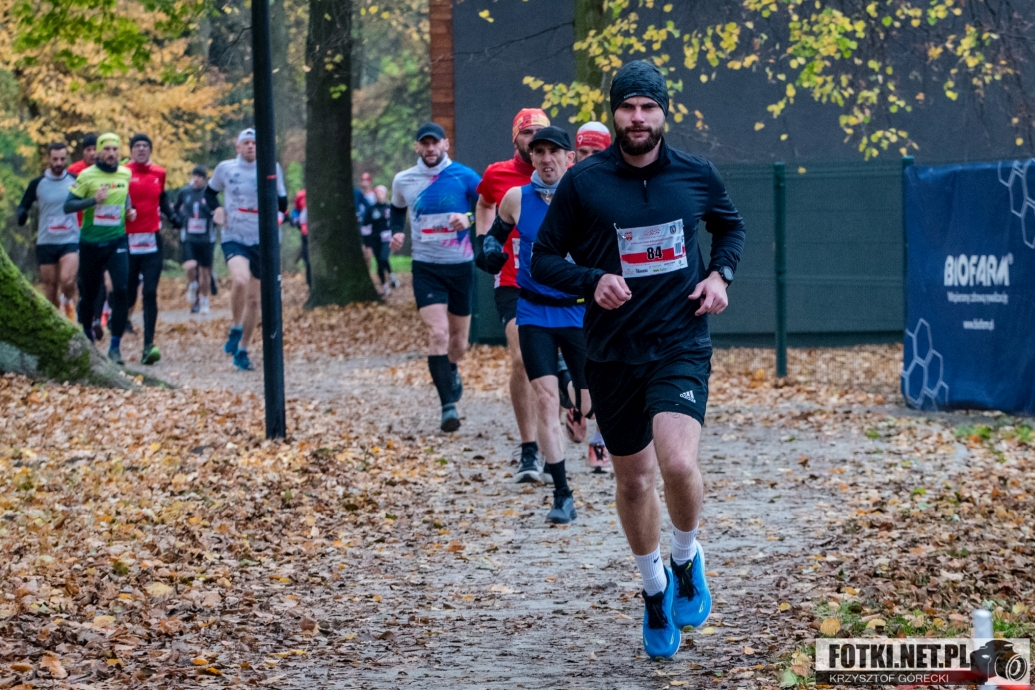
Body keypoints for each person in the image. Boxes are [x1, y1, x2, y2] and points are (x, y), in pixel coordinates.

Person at [530, 61, 746, 659]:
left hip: (679, 341)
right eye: (627, 107)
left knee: (676, 463)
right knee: (633, 480)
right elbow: (543, 258)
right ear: (614, 114)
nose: (638, 117)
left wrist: (720, 277)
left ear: (663, 112)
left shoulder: (696, 174)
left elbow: (730, 229)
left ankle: (685, 558)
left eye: (648, 107)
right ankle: (653, 589)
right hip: (611, 351)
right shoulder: (584, 182)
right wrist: (591, 279)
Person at [482, 126, 590, 524]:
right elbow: (494, 236)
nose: (546, 159)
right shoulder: (515, 198)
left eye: (553, 152)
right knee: (544, 399)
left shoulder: (586, 198)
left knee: (587, 404)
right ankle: (562, 494)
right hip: (532, 311)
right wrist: (489, 251)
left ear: (569, 158)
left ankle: (571, 390)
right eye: (539, 151)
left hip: (577, 311)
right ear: (531, 157)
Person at [473, 107, 550, 480]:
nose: (533, 140)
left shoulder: (563, 173)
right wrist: (484, 241)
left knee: (551, 364)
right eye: (527, 133)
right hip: (512, 280)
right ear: (515, 138)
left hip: (555, 283)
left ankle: (552, 445)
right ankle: (529, 448)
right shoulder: (497, 174)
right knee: (522, 358)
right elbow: (485, 202)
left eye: (540, 133)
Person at [389, 122, 480, 432]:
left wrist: (468, 218)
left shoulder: (465, 176)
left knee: (459, 342)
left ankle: (451, 368)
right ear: (417, 147)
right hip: (426, 267)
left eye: (434, 143)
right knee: (438, 333)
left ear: (445, 144)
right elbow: (396, 208)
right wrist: (395, 232)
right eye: (424, 143)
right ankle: (447, 407)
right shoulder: (403, 180)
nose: (430, 149)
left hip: (460, 266)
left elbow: (487, 206)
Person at [207, 128, 287, 371]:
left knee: (254, 301)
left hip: (262, 238)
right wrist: (216, 210)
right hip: (235, 234)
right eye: (246, 143)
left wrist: (276, 212)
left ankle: (243, 349)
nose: (251, 146)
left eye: (254, 142)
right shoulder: (226, 168)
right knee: (240, 280)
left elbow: (282, 202)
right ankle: (235, 326)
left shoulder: (271, 167)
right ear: (238, 146)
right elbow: (210, 194)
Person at [63, 132, 137, 364]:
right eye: (106, 149)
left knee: (122, 289)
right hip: (90, 243)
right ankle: (87, 336)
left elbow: (124, 195)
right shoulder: (86, 176)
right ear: (98, 151)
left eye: (115, 149)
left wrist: (130, 210)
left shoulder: (125, 173)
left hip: (117, 241)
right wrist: (93, 200)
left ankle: (115, 348)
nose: (111, 153)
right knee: (90, 294)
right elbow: (68, 206)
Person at [573, 119, 614, 473]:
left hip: (608, 295)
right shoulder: (566, 189)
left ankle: (600, 439)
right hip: (569, 291)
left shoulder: (619, 187)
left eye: (595, 152)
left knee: (605, 368)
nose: (588, 159)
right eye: (582, 152)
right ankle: (572, 404)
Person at [125, 134, 176, 365]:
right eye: (137, 146)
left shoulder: (159, 173)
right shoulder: (123, 173)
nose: (141, 149)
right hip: (128, 239)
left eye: (145, 146)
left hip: (152, 240)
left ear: (150, 150)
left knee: (150, 292)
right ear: (131, 150)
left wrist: (173, 215)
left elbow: (161, 198)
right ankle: (116, 336)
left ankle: (148, 344)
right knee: (127, 292)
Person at [17, 142, 80, 317]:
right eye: (55, 159)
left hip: (70, 239)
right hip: (46, 241)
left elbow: (91, 200)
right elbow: (24, 204)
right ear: (48, 159)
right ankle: (56, 322)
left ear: (66, 158)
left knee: (68, 281)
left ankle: (68, 303)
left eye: (62, 159)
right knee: (50, 288)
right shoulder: (38, 183)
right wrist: (22, 214)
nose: (59, 163)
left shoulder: (76, 181)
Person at [67, 134, 105, 338]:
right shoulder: (74, 171)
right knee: (83, 279)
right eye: (88, 149)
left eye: (94, 149)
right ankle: (85, 315)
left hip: (103, 229)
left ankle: (97, 318)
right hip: (79, 229)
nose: (92, 153)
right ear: (83, 152)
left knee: (102, 277)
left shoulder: (108, 170)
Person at [176, 165, 217, 314]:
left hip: (206, 237)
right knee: (190, 265)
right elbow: (176, 209)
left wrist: (214, 217)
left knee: (205, 271)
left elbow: (217, 211)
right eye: (195, 176)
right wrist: (181, 220)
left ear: (205, 179)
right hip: (189, 236)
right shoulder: (185, 192)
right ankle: (193, 285)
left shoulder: (209, 194)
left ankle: (204, 301)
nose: (197, 179)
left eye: (200, 177)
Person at [362, 185, 394, 296]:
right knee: (379, 262)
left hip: (387, 238)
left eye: (381, 193)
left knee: (383, 258)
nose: (379, 195)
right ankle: (384, 285)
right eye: (377, 193)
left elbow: (395, 223)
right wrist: (366, 243)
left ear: (385, 194)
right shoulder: (371, 209)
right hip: (375, 239)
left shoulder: (390, 208)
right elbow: (365, 226)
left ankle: (391, 275)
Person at [292, 189, 310, 287]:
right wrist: (295, 219)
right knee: (307, 259)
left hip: (322, 233)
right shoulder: (301, 195)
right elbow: (296, 211)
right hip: (305, 233)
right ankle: (310, 285)